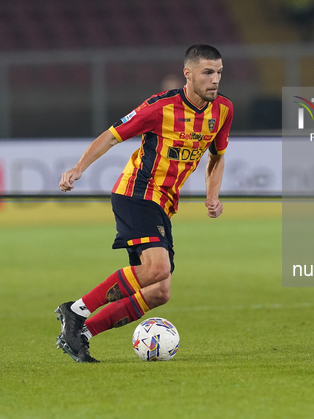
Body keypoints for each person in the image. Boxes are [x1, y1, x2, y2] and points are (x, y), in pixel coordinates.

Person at [55, 44, 233, 362]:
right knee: (157, 268)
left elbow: (217, 157)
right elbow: (111, 135)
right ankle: (75, 310)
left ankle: (81, 334)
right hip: (136, 195)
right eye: (208, 72)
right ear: (188, 74)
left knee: (159, 291)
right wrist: (78, 168)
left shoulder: (222, 111)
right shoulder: (158, 107)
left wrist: (212, 195)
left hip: (163, 205)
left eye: (219, 72)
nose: (215, 79)